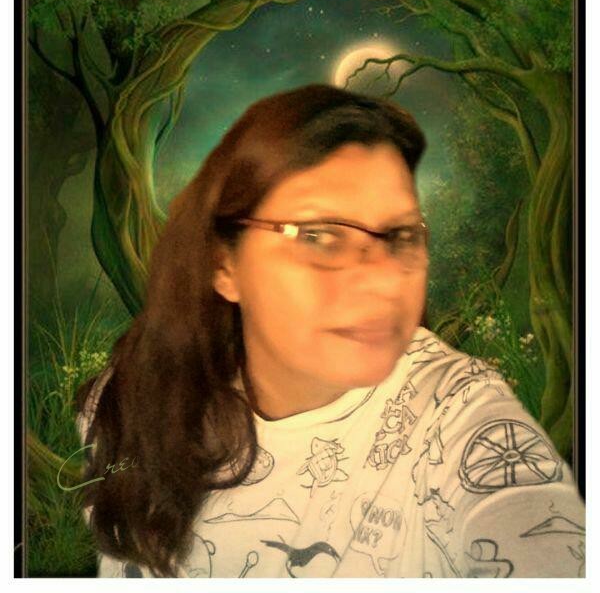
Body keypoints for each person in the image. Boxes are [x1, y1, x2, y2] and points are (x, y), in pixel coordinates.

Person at [75, 83, 585, 578]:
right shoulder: (129, 400)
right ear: (224, 265)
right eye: (318, 235)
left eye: (400, 236)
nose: (383, 277)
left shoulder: (457, 414)